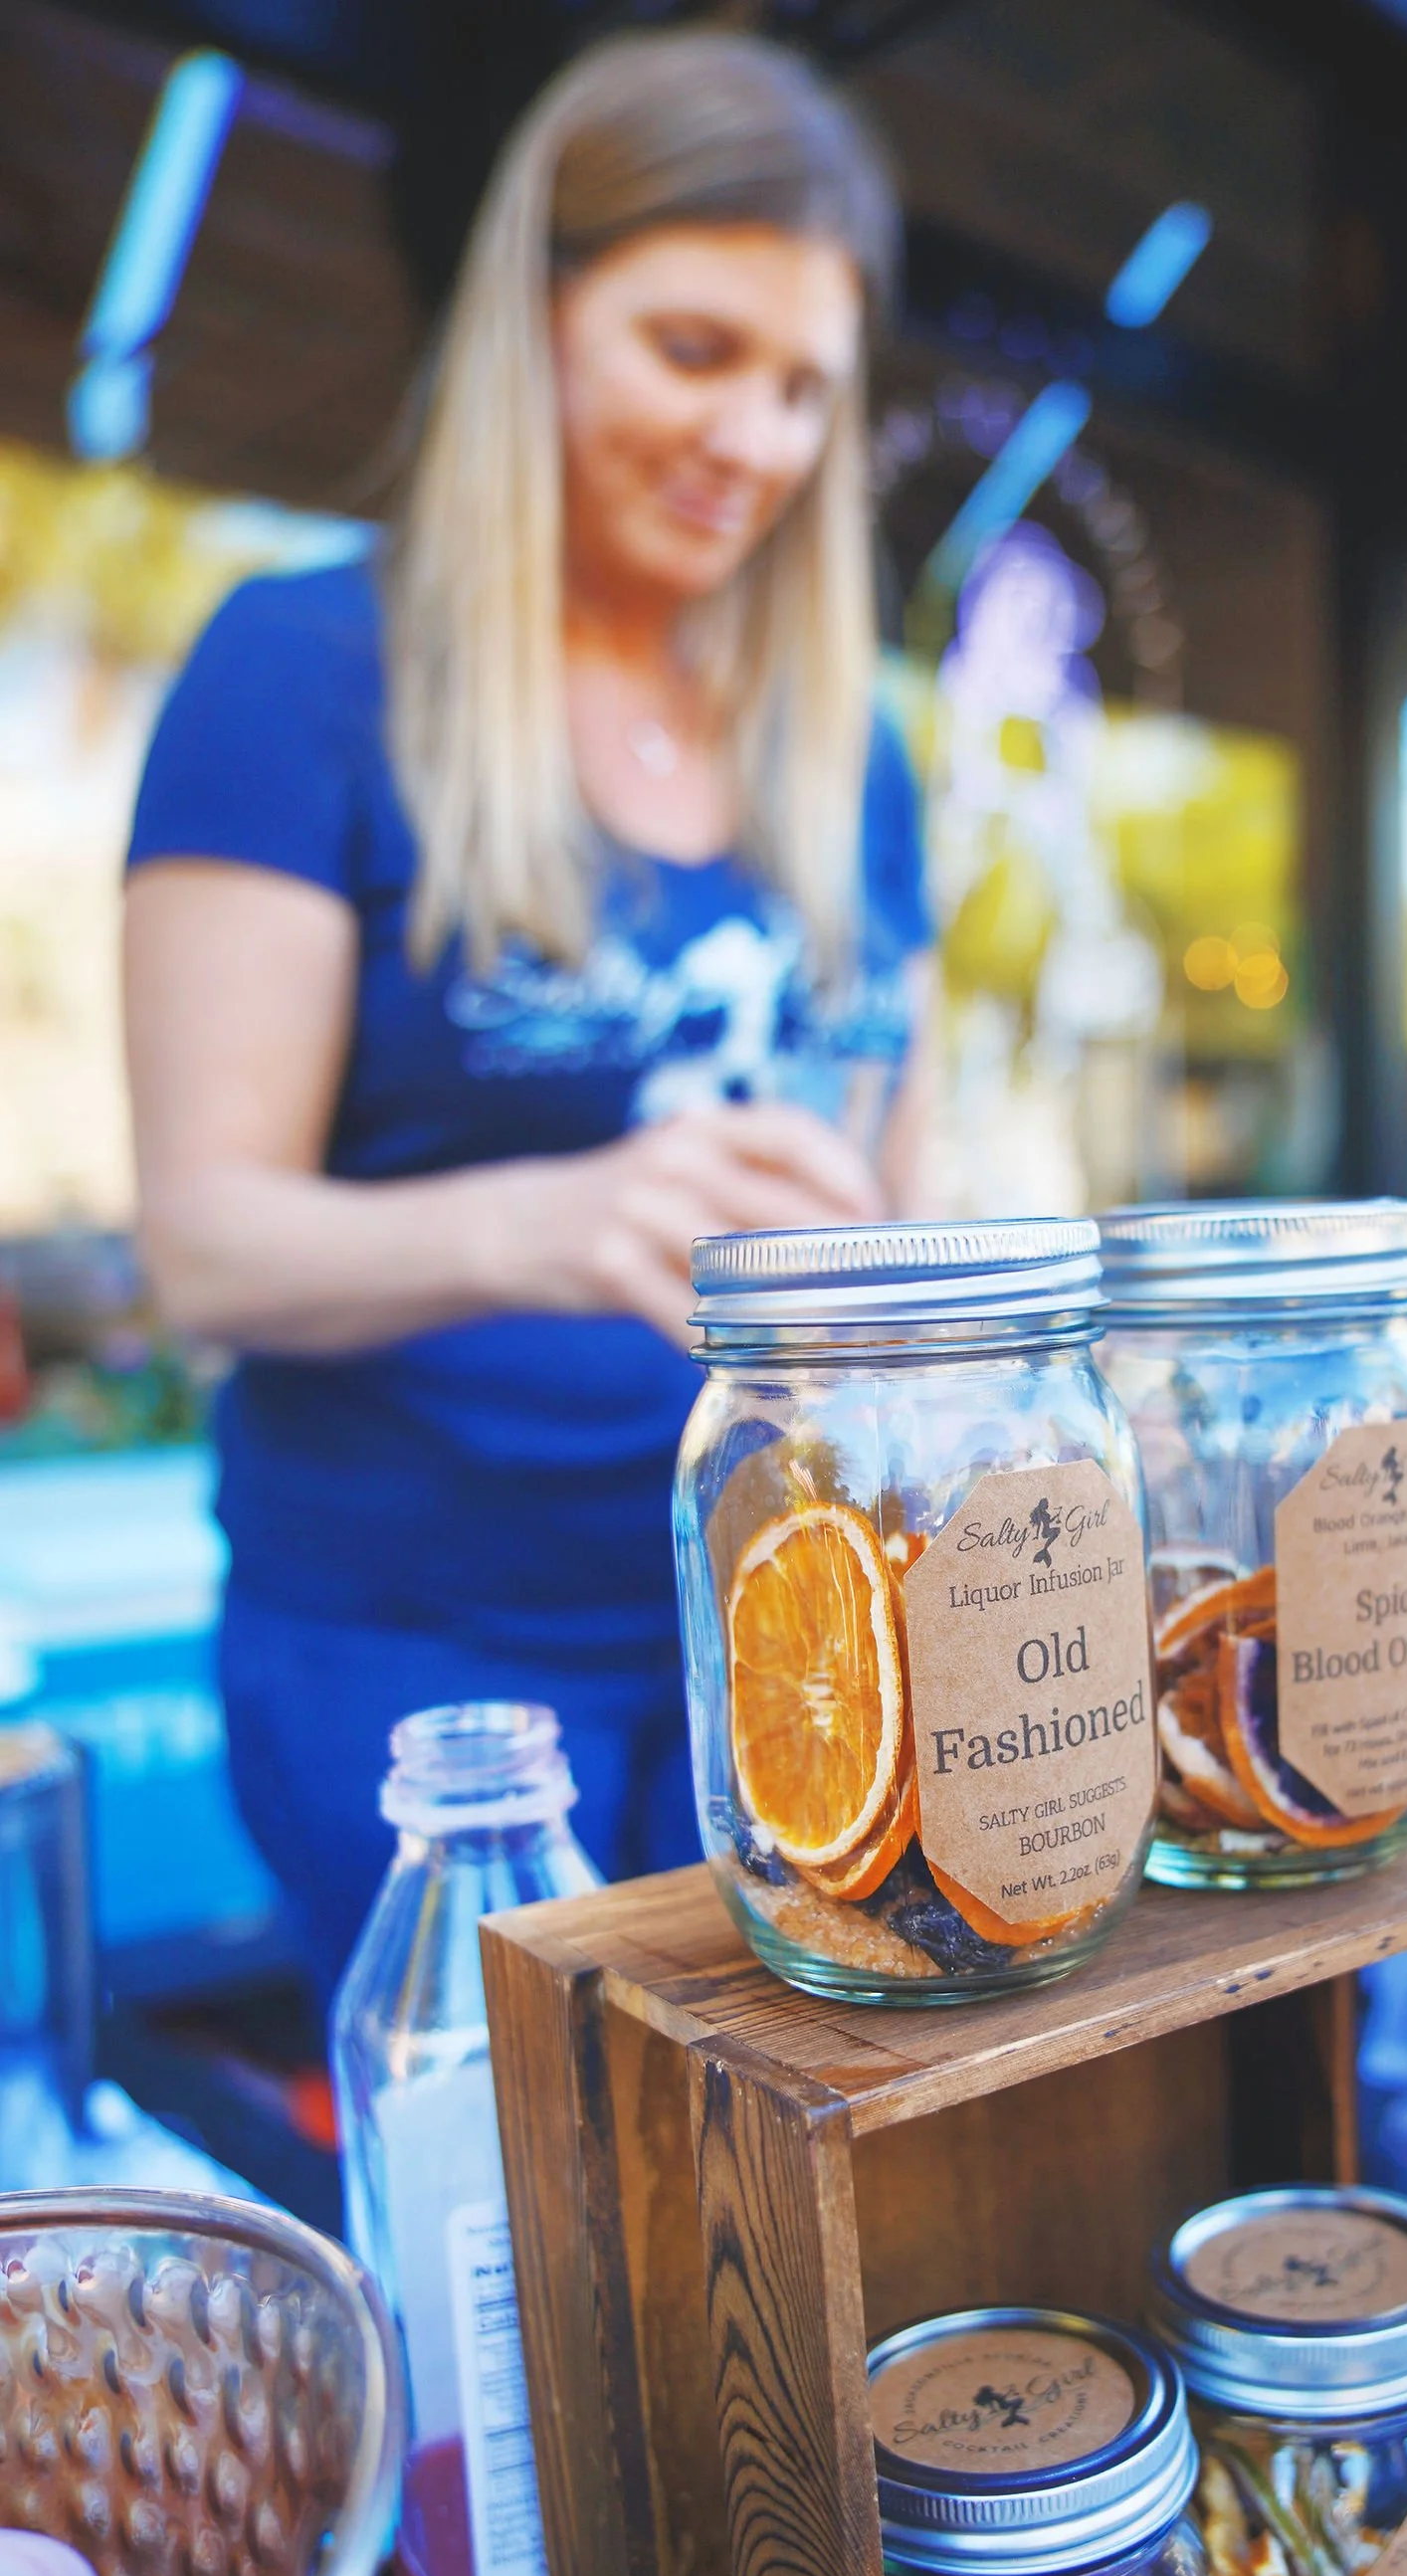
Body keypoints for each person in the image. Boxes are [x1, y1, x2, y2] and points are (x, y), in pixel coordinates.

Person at [122, 34, 931, 1999]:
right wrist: (543, 1219)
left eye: (804, 384)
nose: (752, 434)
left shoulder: (846, 755)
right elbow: (200, 1246)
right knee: (537, 2240)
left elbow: (901, 1218)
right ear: (534, 320)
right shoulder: (304, 671)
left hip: (782, 1626)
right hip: (425, 1670)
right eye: (690, 348)